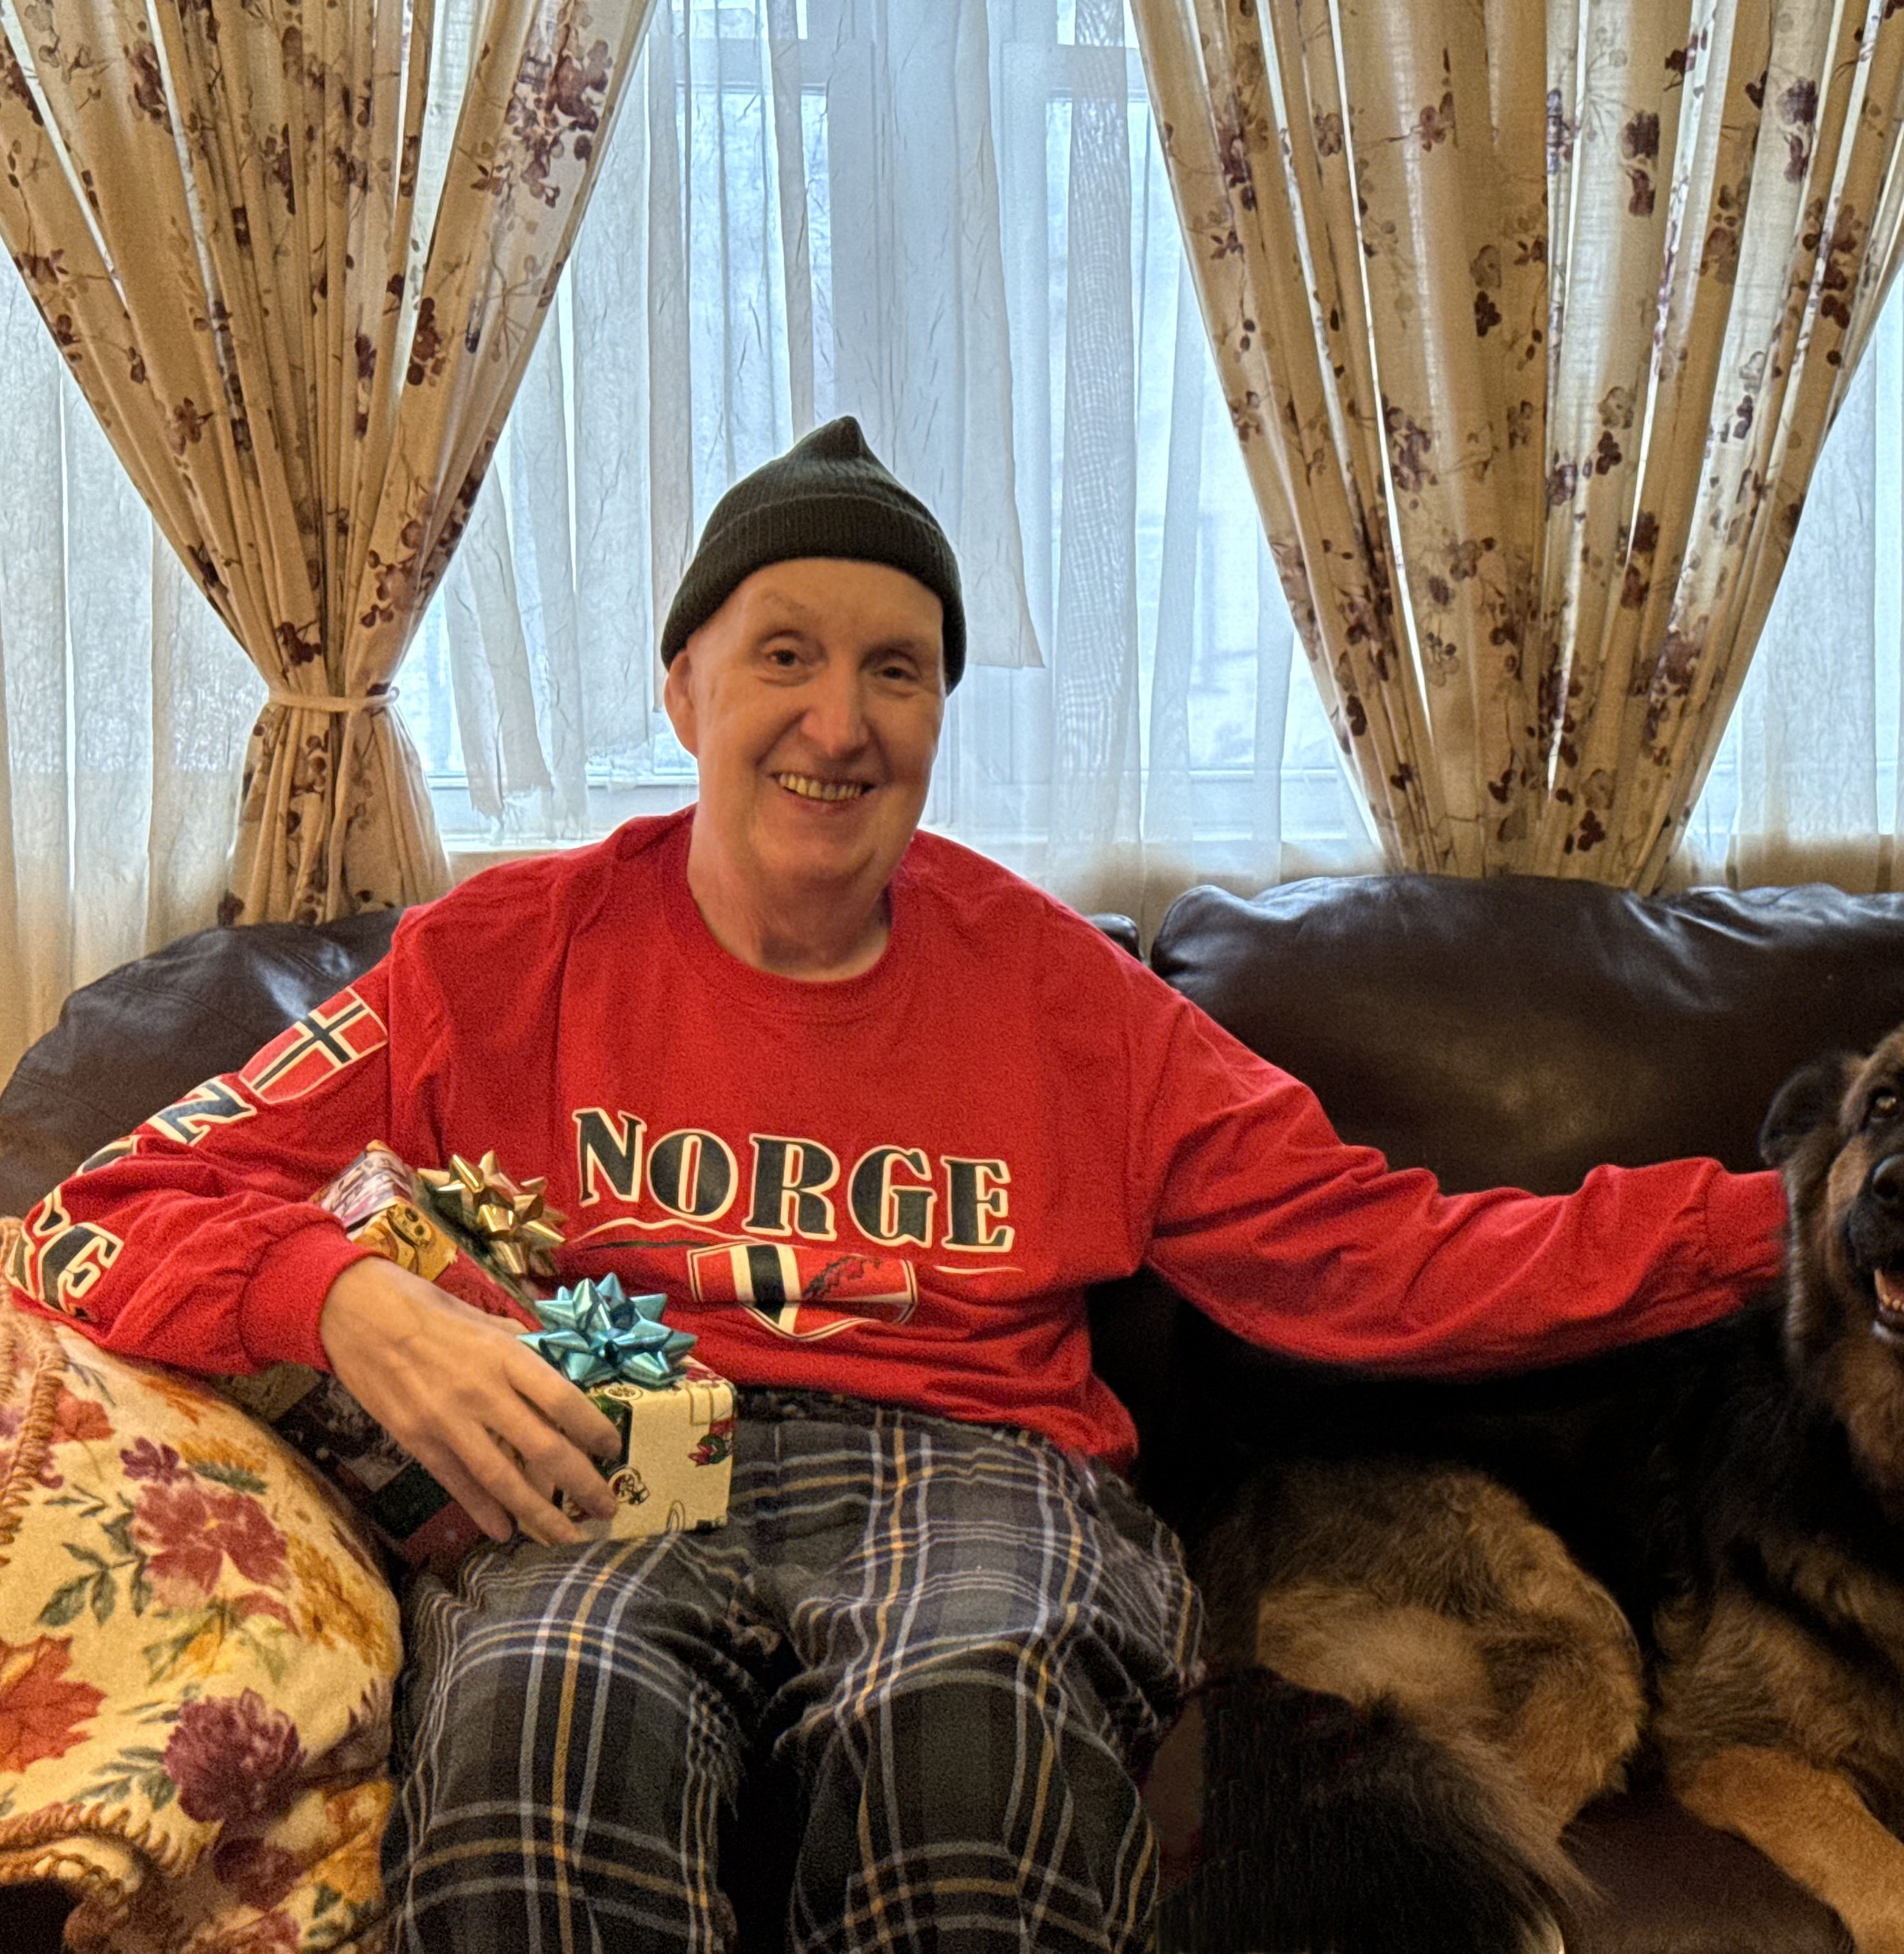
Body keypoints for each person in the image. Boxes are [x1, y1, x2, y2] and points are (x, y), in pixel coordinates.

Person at [12, 419, 1790, 1954]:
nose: (839, 721)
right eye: (784, 654)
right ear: (683, 688)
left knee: (970, 1727)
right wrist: (340, 1296)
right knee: (548, 1718)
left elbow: (1382, 1254)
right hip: (620, 1469)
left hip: (982, 1474)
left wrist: (1799, 1218)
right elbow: (99, 1212)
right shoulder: (497, 960)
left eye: (898, 670)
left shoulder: (1070, 1001)